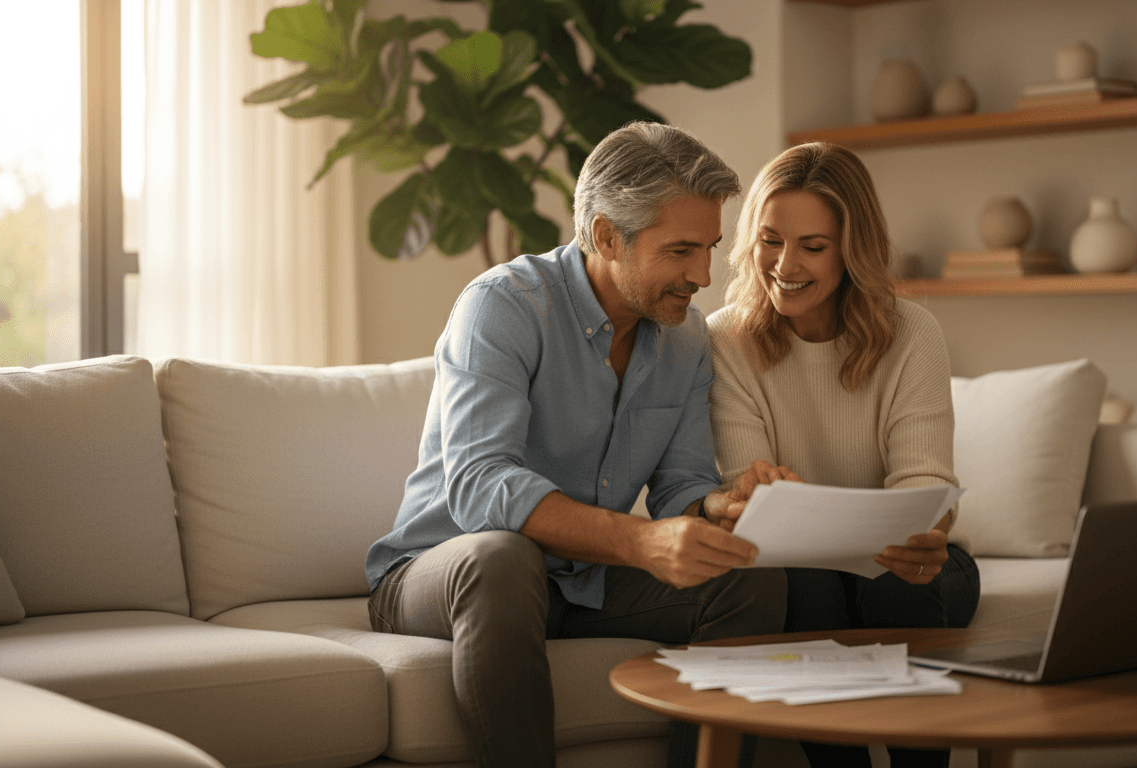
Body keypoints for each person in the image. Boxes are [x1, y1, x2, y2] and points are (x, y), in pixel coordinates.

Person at [363, 122, 787, 768]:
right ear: (605, 236)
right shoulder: (504, 306)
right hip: (446, 570)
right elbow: (479, 485)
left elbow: (680, 487)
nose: (702, 275)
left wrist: (718, 510)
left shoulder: (686, 338)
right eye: (679, 251)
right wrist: (641, 541)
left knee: (748, 578)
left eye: (709, 248)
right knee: (503, 558)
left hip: (581, 580)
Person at [707, 142, 981, 768]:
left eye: (813, 246)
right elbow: (741, 489)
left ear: (852, 251)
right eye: (771, 239)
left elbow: (925, 481)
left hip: (917, 569)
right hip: (803, 572)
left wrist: (924, 533)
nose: (785, 264)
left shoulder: (913, 333)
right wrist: (751, 493)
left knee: (895, 580)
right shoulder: (725, 339)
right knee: (801, 585)